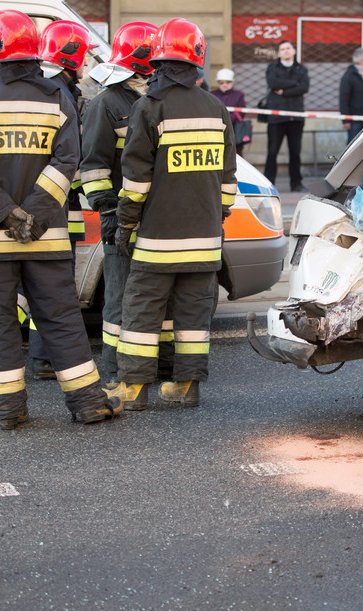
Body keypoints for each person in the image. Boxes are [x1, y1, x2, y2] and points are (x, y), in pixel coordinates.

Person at [0, 10, 120, 429]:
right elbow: (68, 161)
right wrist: (35, 214)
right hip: (45, 238)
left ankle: (9, 411)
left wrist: (5, 215)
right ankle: (87, 405)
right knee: (60, 320)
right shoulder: (56, 97)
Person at [107, 18, 237, 410]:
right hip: (204, 241)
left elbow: (136, 180)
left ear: (159, 61)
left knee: (142, 313)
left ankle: (132, 391)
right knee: (194, 317)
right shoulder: (216, 108)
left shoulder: (149, 107)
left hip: (157, 241)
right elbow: (228, 180)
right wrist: (217, 218)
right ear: (197, 59)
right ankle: (187, 387)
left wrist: (126, 223)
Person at [80, 21, 160, 394]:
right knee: (119, 299)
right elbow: (93, 167)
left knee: (157, 298)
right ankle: (115, 371)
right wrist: (109, 213)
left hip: (159, 219)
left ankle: (154, 367)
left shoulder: (160, 98)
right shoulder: (107, 104)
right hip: (122, 219)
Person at [20, 20, 93, 381]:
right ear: (73, 58)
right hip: (59, 209)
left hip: (32, 205)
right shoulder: (61, 94)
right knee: (52, 289)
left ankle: (41, 355)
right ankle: (45, 357)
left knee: (34, 290)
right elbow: (71, 159)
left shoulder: (40, 87)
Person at [263, 39, 309, 192]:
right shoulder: (272, 68)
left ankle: (296, 184)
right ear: (278, 53)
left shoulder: (301, 69)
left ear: (294, 51)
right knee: (272, 152)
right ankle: (268, 184)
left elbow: (304, 87)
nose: (286, 51)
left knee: (295, 153)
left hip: (296, 117)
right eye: (283, 49)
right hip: (276, 118)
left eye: (288, 48)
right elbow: (273, 84)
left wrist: (285, 91)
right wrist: (294, 84)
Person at [211, 68, 249, 156]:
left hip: (234, 130)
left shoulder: (238, 95)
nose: (224, 85)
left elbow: (241, 112)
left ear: (232, 82)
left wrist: (227, 120)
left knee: (236, 155)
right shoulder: (212, 95)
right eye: (222, 82)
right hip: (217, 130)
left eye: (227, 82)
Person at [339, 46, 363, 142]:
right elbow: (344, 98)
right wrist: (345, 119)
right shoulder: (349, 76)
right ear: (362, 61)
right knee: (353, 144)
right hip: (354, 119)